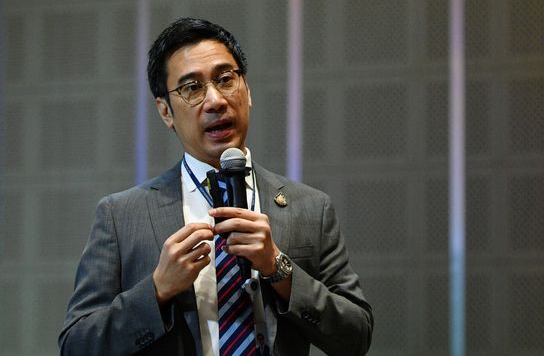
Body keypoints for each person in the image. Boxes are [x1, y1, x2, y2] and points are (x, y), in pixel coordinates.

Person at [59, 17, 373, 356]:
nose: (215, 100)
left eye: (226, 80)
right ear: (165, 111)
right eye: (192, 88)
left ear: (247, 91)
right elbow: (77, 345)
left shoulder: (311, 208)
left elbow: (356, 336)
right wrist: (157, 290)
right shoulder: (121, 216)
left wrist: (279, 269)